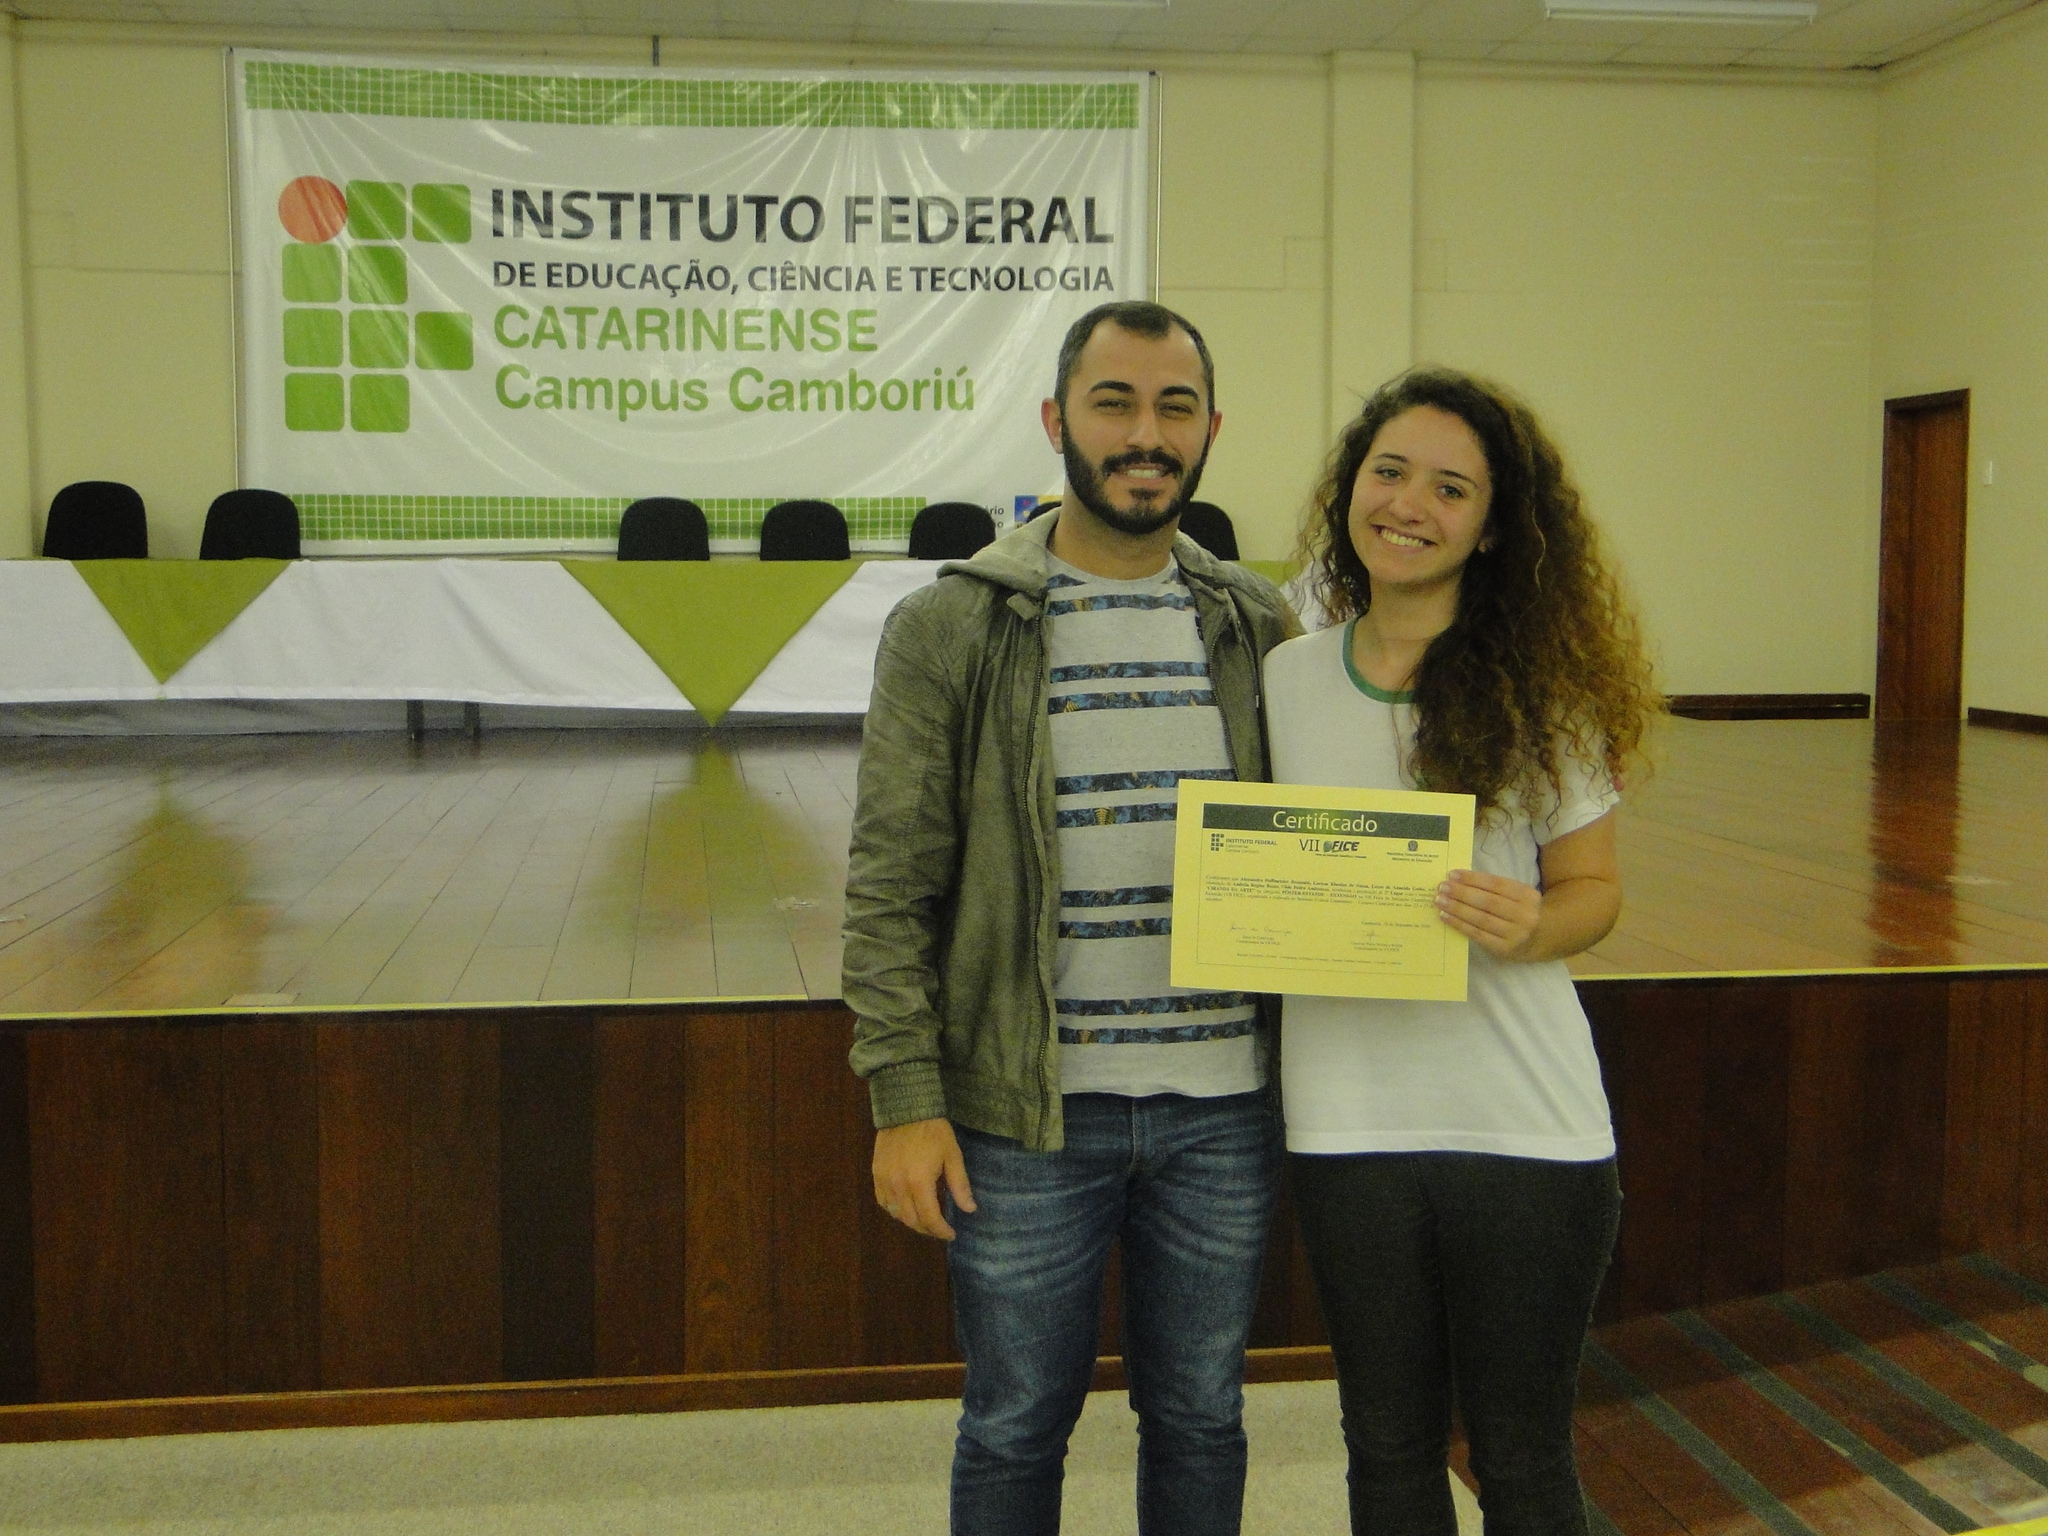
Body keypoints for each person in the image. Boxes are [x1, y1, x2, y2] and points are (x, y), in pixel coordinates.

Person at [844, 299, 1297, 1536]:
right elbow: (888, 885)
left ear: (1209, 432)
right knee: (1012, 1422)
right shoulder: (951, 624)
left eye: (1173, 408)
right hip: (1024, 1114)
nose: (1145, 435)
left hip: (1223, 1112)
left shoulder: (1256, 625)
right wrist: (903, 1098)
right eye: (1114, 404)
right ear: (1055, 421)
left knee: (1201, 1415)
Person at [1263, 367, 1657, 1536]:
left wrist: (1532, 925)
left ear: (1492, 528)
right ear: (1349, 488)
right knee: (1383, 1453)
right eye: (1387, 472)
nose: (1407, 505)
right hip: (1344, 1127)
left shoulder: (1544, 693)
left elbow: (1593, 892)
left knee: (1520, 1462)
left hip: (1522, 1131)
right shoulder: (1283, 676)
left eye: (1449, 488)